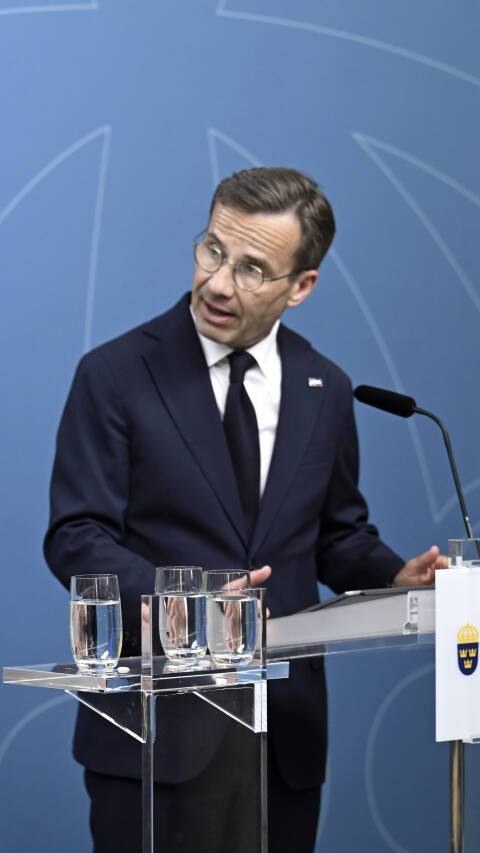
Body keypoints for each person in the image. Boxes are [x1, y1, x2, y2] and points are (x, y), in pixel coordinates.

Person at [43, 167, 442, 853]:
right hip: (156, 730)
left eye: (254, 268)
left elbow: (337, 535)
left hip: (281, 734)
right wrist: (184, 600)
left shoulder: (327, 388)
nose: (220, 282)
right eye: (213, 251)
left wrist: (392, 576)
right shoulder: (114, 375)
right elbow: (77, 536)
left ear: (301, 286)